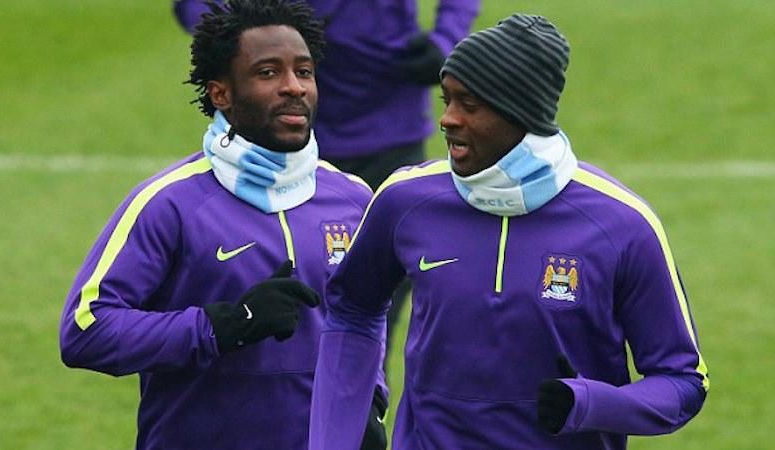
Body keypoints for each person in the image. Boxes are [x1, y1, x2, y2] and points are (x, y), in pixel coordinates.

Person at [308, 14, 709, 450]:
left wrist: (591, 403)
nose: (447, 119)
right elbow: (352, 309)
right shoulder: (405, 201)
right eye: (446, 100)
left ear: (520, 111)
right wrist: (345, 425)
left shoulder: (622, 225)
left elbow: (682, 381)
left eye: (469, 105)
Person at [59, 1, 387, 449]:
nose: (294, 87)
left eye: (304, 72)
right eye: (268, 73)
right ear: (221, 94)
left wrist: (370, 400)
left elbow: (367, 315)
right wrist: (221, 327)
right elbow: (85, 329)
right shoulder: (170, 204)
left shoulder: (353, 200)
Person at [173, 0, 481, 369]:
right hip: (278, 143)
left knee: (372, 316)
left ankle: (364, 397)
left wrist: (446, 38)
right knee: (271, 303)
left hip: (388, 131)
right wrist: (235, 43)